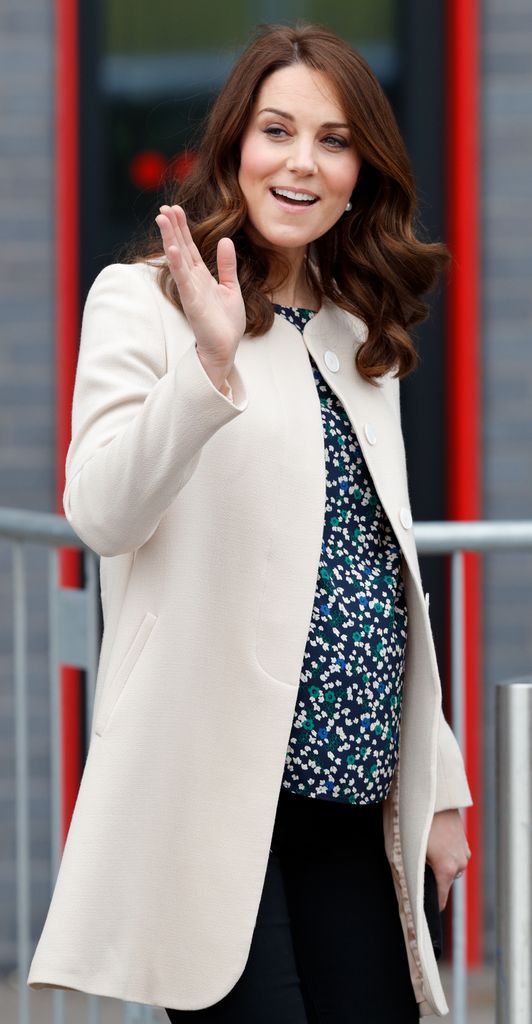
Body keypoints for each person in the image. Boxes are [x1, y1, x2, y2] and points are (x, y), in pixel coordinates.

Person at [27, 22, 472, 1022]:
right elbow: (101, 509)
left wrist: (435, 774)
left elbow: (382, 565)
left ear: (362, 174)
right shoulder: (142, 304)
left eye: (334, 139)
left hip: (354, 789)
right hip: (215, 786)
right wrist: (207, 366)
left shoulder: (361, 330)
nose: (301, 162)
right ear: (234, 146)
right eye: (277, 130)